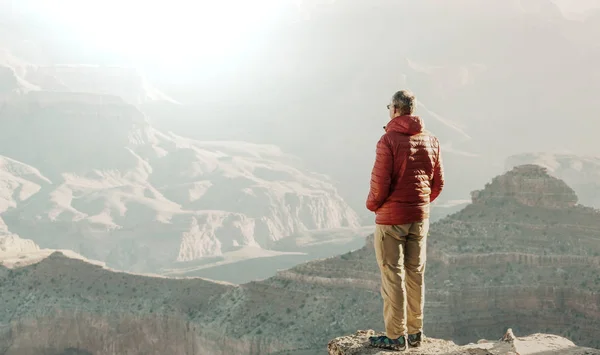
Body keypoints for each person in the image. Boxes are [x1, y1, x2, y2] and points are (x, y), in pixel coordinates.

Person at [366, 90, 444, 351]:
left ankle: (396, 337)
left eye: (390, 106)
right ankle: (416, 332)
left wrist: (373, 205)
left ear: (396, 110)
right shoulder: (431, 140)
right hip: (419, 218)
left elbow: (380, 183)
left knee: (392, 275)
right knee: (415, 274)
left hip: (391, 220)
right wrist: (418, 204)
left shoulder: (388, 140)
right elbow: (437, 183)